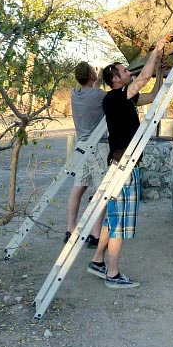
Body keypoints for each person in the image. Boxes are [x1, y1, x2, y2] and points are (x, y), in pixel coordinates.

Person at [87, 39, 167, 289]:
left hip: (119, 166)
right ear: (116, 81)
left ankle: (98, 261)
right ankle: (113, 274)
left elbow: (153, 95)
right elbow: (142, 79)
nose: (129, 73)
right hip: (124, 167)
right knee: (120, 223)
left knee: (112, 220)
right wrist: (156, 51)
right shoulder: (114, 98)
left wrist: (162, 75)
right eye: (124, 71)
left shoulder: (126, 99)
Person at [66, 62, 109, 248]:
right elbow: (101, 96)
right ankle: (95, 233)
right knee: (103, 191)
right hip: (98, 146)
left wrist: (96, 79)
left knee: (79, 186)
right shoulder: (100, 95)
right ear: (91, 76)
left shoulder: (74, 94)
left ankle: (70, 229)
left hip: (81, 146)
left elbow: (91, 91)